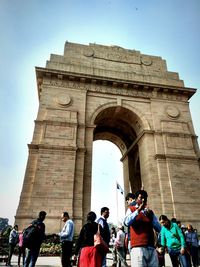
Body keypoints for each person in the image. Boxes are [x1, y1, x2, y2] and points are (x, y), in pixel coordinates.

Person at [124, 189, 161, 267]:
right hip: (138, 247)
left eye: (145, 198)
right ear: (136, 199)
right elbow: (126, 222)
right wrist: (138, 211)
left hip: (151, 247)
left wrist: (151, 216)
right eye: (141, 198)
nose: (143, 200)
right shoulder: (131, 209)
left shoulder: (149, 212)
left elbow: (159, 228)